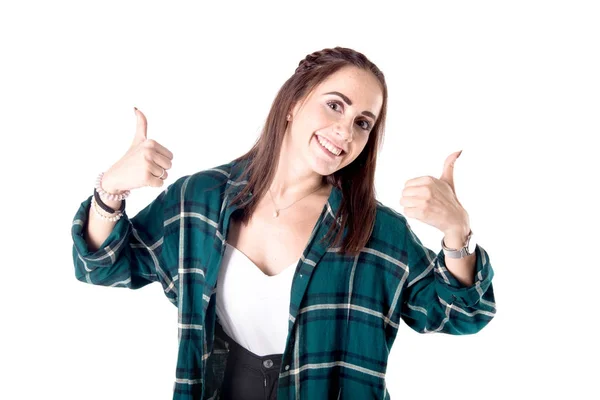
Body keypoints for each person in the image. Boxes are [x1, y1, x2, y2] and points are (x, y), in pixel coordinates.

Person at [71, 46, 496, 400]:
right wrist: (110, 188)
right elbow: (102, 265)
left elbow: (461, 313)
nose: (345, 132)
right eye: (335, 105)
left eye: (362, 123)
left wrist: (457, 233)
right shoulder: (199, 199)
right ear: (294, 102)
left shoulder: (377, 232)